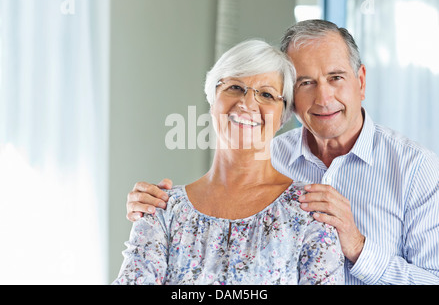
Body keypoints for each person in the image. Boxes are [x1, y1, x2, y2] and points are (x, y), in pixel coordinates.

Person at [127, 20, 439, 285]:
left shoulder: (415, 168)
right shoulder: (264, 155)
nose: (324, 96)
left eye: (336, 78)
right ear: (291, 101)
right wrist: (150, 208)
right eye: (306, 82)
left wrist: (358, 248)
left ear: (360, 81)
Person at [113, 39, 345, 285]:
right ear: (213, 101)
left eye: (266, 94)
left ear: (282, 117)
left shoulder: (310, 213)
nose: (247, 103)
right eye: (235, 87)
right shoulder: (162, 211)